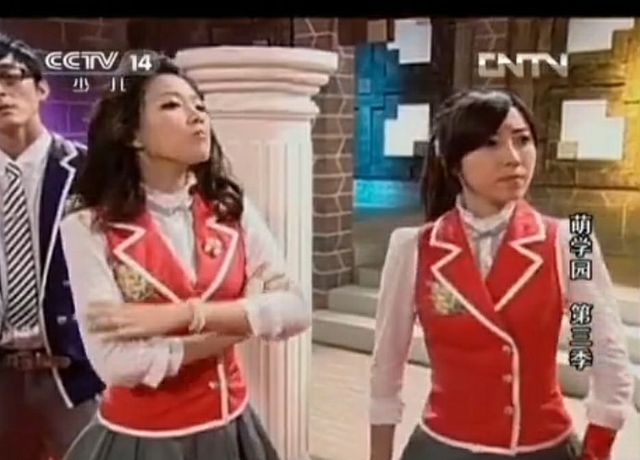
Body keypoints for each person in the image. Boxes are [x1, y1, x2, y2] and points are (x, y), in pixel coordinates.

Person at [59, 55, 311, 460]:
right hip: (143, 441)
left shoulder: (229, 209)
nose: (198, 116)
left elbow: (296, 309)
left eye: (200, 105)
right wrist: (238, 326)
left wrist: (183, 317)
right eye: (172, 105)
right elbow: (116, 363)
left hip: (231, 429)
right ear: (131, 132)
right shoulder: (88, 226)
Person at [369, 89, 634, 460]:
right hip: (444, 447)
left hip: (542, 448)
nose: (513, 158)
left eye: (522, 140)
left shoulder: (572, 243)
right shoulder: (413, 248)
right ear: (454, 161)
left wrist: (596, 449)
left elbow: (603, 353)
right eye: (491, 143)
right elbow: (385, 370)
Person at [0, 33, 103, 460]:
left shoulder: (90, 171)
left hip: (73, 372)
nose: (1, 92)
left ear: (42, 89)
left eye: (10, 77)